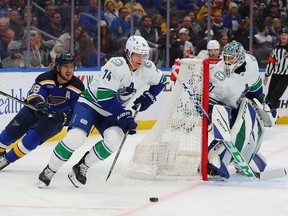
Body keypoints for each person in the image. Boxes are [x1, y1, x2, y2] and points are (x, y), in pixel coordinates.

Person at [37, 35, 167, 187]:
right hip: (90, 104)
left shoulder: (148, 68)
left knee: (115, 140)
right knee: (76, 137)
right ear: (127, 53)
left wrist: (149, 97)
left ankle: (82, 166)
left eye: (143, 55)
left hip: (111, 111)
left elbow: (161, 81)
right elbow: (104, 97)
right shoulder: (115, 65)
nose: (140, 59)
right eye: (136, 54)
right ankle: (49, 170)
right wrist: (124, 116)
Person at [0, 52, 85, 170]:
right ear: (58, 67)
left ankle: (7, 159)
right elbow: (35, 95)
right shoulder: (45, 78)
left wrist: (63, 117)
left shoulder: (78, 87)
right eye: (66, 66)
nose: (69, 70)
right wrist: (40, 105)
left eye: (71, 66)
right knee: (7, 137)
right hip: (34, 111)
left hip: (54, 120)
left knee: (31, 139)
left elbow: (78, 111)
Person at [207, 40, 277, 179]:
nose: (227, 61)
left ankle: (248, 157)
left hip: (239, 103)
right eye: (225, 57)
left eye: (230, 58)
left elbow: (254, 88)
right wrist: (207, 112)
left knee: (258, 128)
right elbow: (210, 100)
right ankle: (215, 159)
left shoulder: (251, 62)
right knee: (237, 133)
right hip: (223, 107)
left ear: (240, 57)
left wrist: (263, 101)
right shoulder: (217, 75)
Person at [263, 27, 288, 109]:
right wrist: (267, 75)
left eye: (285, 35)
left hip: (285, 77)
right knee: (269, 97)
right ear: (280, 36)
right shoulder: (275, 48)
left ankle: (273, 113)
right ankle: (272, 114)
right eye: (282, 35)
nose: (283, 36)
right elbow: (271, 61)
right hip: (275, 75)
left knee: (274, 96)